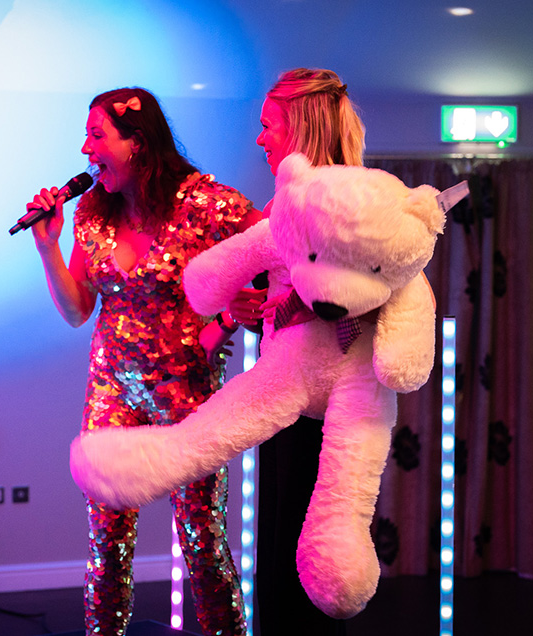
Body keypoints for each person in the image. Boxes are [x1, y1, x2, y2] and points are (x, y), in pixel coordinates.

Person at [26, 87, 260, 636]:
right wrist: (47, 248)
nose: (85, 149)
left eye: (96, 135)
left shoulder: (204, 204)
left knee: (201, 538)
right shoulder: (91, 210)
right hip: (112, 389)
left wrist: (233, 316)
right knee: (106, 542)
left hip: (187, 391)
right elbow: (78, 309)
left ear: (137, 142)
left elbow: (277, 239)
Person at [227, 68, 366, 636]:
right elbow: (284, 300)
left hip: (332, 409)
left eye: (267, 126)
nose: (259, 139)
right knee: (281, 556)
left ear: (300, 128)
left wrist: (299, 307)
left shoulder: (352, 202)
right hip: (285, 399)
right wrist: (255, 305)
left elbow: (363, 304)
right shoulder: (280, 205)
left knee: (314, 563)